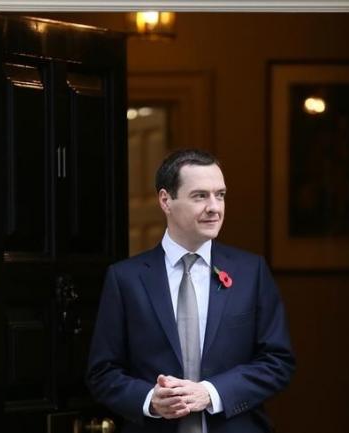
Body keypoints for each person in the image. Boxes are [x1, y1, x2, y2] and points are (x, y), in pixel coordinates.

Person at [86, 149, 295, 433]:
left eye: (220, 195)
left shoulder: (251, 271)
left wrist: (211, 393)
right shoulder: (125, 278)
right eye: (200, 196)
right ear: (165, 201)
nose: (215, 207)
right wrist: (150, 400)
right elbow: (102, 372)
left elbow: (277, 362)